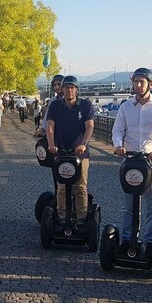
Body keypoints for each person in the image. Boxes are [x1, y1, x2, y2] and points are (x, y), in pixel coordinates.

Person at [112, 68, 152, 255]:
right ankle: (127, 239)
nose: (138, 85)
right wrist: (118, 145)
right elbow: (117, 130)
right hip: (130, 160)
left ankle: (151, 242)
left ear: (150, 84)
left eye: (142, 82)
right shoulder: (125, 107)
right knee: (129, 203)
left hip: (151, 161)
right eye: (135, 82)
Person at [46, 75, 95, 229]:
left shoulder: (85, 105)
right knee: (61, 187)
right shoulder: (55, 106)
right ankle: (61, 218)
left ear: (76, 90)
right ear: (62, 89)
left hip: (80, 153)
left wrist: (83, 144)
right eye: (66, 87)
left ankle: (81, 219)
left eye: (72, 88)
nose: (69, 90)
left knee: (80, 186)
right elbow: (50, 126)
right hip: (61, 152)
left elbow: (89, 127)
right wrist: (51, 145)